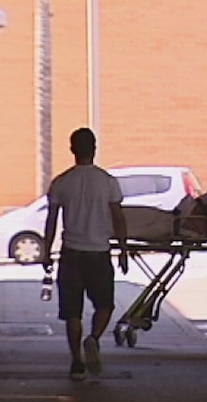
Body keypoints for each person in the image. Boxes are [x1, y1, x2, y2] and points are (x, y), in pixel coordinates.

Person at [42, 128, 129, 381]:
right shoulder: (107, 181)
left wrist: (47, 252)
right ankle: (93, 338)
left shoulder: (61, 182)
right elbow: (118, 217)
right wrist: (122, 249)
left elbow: (51, 222)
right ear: (95, 148)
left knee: (72, 312)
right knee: (105, 305)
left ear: (72, 149)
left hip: (71, 254)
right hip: (99, 252)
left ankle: (77, 363)